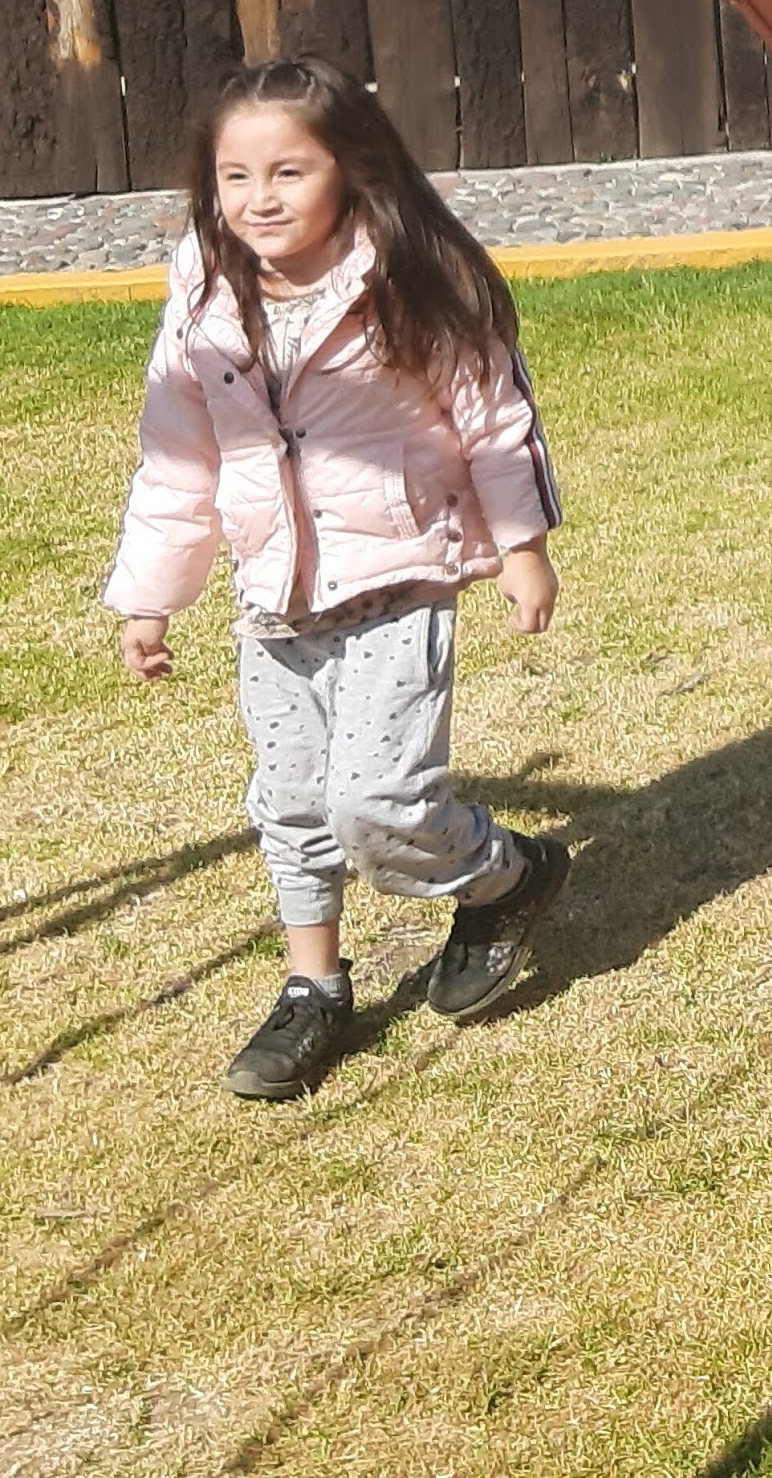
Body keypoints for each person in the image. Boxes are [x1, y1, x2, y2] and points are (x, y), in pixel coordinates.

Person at [108, 57, 571, 1103]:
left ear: (352, 172)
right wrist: (152, 593)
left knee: (377, 803)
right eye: (235, 177)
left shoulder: (411, 276)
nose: (258, 199)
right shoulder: (205, 289)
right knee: (290, 801)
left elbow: (493, 420)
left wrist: (521, 544)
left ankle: (509, 876)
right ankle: (313, 988)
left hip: (398, 576)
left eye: (288, 172)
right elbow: (177, 452)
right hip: (272, 593)